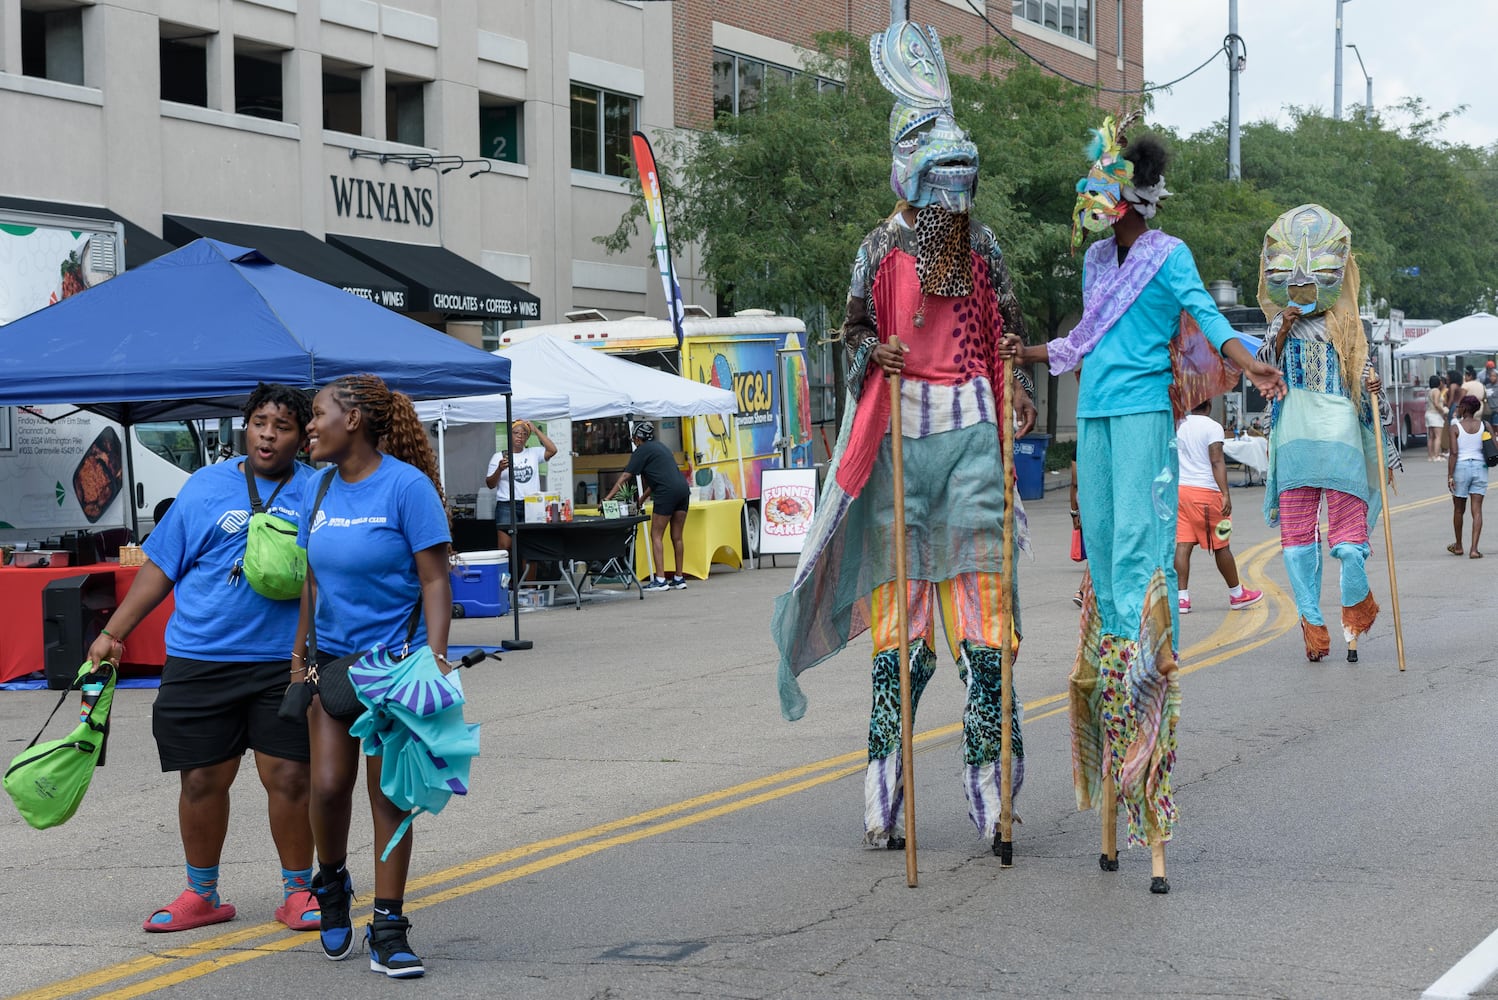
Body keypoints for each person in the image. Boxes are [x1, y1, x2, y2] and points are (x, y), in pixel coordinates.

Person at [773, 21, 1039, 859]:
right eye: (933, 173)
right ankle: (883, 797)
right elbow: (852, 334)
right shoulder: (879, 247)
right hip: (898, 453)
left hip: (967, 443)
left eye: (958, 182)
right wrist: (872, 353)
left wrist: (1018, 390)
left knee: (986, 635)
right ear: (905, 168)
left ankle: (993, 797)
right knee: (904, 643)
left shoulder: (977, 245)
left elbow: (1007, 335)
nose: (948, 199)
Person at [999, 115, 1284, 892]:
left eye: (1105, 189)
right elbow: (1084, 336)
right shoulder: (1096, 259)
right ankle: (1113, 662)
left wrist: (1251, 364)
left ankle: (1146, 666)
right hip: (1092, 417)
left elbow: (1213, 322)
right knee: (1101, 561)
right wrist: (1023, 352)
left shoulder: (1168, 256)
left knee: (1138, 554)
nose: (1094, 200)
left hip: (1141, 419)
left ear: (1129, 197)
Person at [86, 384, 319, 933]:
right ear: (246, 426)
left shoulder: (318, 490)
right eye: (260, 421)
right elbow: (160, 566)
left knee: (288, 778)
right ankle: (202, 893)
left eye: (282, 426)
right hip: (201, 658)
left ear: (301, 436)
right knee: (200, 781)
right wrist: (111, 633)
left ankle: (299, 892)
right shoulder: (207, 487)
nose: (268, 433)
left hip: (283, 663)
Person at [294, 374, 452, 979]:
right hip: (331, 664)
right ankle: (331, 884)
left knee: (390, 796)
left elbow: (436, 579)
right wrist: (299, 655)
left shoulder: (406, 488)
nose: (310, 425)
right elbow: (310, 580)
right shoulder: (319, 487)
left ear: (352, 419)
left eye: (317, 414)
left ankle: (389, 927)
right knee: (329, 786)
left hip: (398, 665)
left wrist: (434, 660)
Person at [1255, 204, 1400, 664]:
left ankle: (1354, 614)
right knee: (1298, 542)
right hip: (1294, 438)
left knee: (1349, 542)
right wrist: (1283, 329)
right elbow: (1262, 367)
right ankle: (1312, 624)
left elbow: (1363, 374)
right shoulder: (1280, 323)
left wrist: (1372, 383)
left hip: (1340, 438)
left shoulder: (1348, 323)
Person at [1173, 398, 1263, 614]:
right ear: (1209, 404)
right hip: (1206, 493)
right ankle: (1237, 594)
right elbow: (1216, 461)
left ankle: (1181, 598)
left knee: (1183, 544)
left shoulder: (1178, 424)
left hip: (1181, 491)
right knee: (1222, 544)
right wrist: (1225, 493)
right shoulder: (1212, 427)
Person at [603, 421, 689, 591]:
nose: (634, 442)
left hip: (666, 493)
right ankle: (679, 578)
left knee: (656, 535)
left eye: (634, 439)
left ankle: (660, 579)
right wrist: (641, 499)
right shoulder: (661, 448)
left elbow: (625, 476)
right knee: (677, 537)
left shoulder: (641, 451)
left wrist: (607, 498)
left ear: (638, 438)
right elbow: (659, 479)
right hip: (682, 490)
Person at [485, 418, 557, 556]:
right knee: (504, 548)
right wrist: (499, 470)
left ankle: (527, 578)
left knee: (531, 548)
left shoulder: (533, 453)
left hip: (531, 503)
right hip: (507, 504)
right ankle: (505, 577)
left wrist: (536, 430)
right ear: (510, 435)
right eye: (516, 433)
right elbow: (490, 484)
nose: (520, 436)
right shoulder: (498, 456)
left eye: (524, 434)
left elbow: (553, 450)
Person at [1447, 395, 1486, 559]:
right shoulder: (1485, 425)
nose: (1458, 409)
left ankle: (1459, 546)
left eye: (1459, 406)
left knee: (1458, 509)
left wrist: (1450, 475)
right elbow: (1493, 447)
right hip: (1479, 467)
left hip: (1461, 468)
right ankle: (1474, 549)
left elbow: (1454, 453)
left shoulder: (1455, 427)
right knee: (1476, 510)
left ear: (1464, 408)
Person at [1425, 374, 1448, 462]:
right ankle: (1436, 455)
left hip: (1428, 414)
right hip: (1435, 414)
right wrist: (1443, 411)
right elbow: (1436, 403)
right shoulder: (1437, 391)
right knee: (1438, 436)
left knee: (1431, 436)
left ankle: (1430, 456)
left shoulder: (1430, 391)